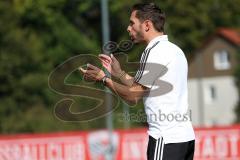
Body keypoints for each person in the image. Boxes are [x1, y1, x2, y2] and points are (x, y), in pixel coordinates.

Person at [80, 2, 195, 160]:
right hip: (185, 138)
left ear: (146, 25)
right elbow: (143, 88)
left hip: (165, 139)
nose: (128, 28)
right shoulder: (175, 50)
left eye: (132, 23)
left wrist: (103, 79)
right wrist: (119, 73)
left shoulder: (153, 52)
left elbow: (133, 96)